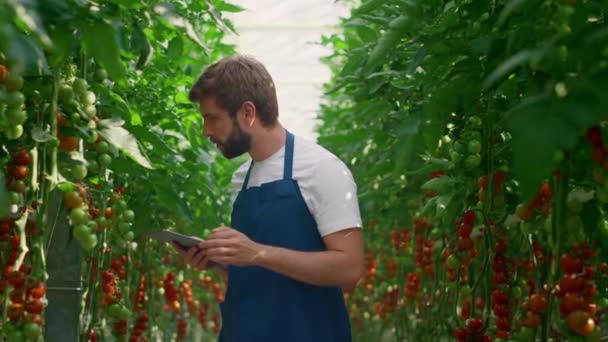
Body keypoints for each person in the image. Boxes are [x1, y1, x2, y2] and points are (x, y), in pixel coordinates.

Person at [173, 55, 364, 342]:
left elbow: (350, 269)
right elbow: (261, 270)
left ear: (247, 113)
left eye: (212, 118)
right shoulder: (241, 178)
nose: (206, 131)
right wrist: (222, 263)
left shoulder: (321, 169)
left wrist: (258, 253)